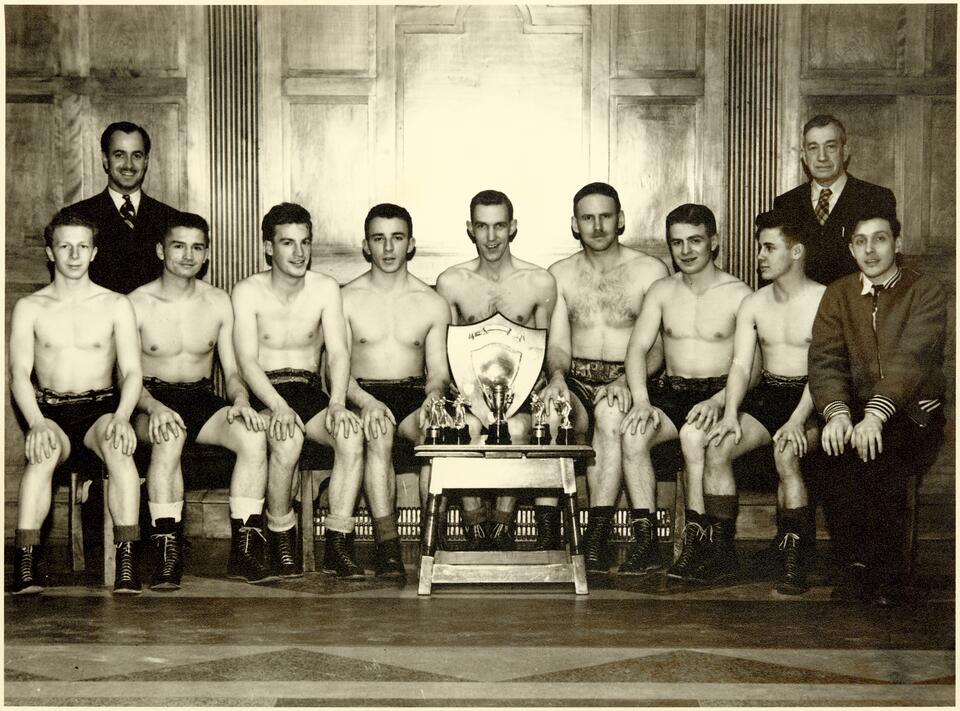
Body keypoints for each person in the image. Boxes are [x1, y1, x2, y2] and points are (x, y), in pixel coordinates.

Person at [129, 213, 274, 590]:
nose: (188, 255)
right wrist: (154, 407)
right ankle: (166, 550)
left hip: (199, 396)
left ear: (206, 254)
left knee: (253, 435)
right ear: (162, 250)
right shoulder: (136, 303)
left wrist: (241, 399)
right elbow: (124, 376)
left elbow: (232, 370)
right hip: (149, 399)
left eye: (197, 247)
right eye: (179, 246)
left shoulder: (217, 301)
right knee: (169, 435)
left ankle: (244, 549)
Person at [809, 209, 946, 607]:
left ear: (897, 244)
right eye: (861, 241)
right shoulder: (838, 293)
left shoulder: (925, 290)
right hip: (855, 410)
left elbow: (912, 359)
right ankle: (853, 565)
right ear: (851, 249)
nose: (871, 249)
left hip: (912, 411)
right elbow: (825, 360)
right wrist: (835, 413)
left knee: (882, 455)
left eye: (880, 239)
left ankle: (888, 570)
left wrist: (876, 415)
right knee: (829, 453)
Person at [9, 211, 144, 595]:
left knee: (120, 448)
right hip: (50, 411)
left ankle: (126, 561)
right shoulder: (30, 307)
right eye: (65, 246)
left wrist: (121, 416)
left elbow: (132, 372)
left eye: (82, 246)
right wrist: (35, 422)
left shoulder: (115, 304)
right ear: (51, 253)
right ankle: (25, 565)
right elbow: (19, 374)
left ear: (94, 252)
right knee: (42, 454)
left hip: (99, 411)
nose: (73, 254)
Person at [619, 204, 754, 580]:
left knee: (694, 437)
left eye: (695, 240)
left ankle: (695, 541)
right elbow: (636, 350)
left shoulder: (738, 293)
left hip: (718, 394)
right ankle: (645, 543)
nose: (686, 250)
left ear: (714, 241)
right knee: (632, 434)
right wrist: (642, 401)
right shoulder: (662, 291)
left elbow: (751, 367)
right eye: (677, 242)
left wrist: (719, 401)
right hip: (672, 391)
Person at [232, 202, 366, 578]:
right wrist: (276, 406)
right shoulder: (248, 291)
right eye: (287, 243)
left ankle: (338, 544)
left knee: (351, 435)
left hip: (308, 389)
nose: (299, 252)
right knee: (286, 439)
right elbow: (246, 361)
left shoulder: (325, 288)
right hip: (266, 390)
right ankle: (280, 538)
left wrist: (338, 403)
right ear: (268, 247)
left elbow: (339, 352)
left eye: (305, 242)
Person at [539, 182, 668, 564]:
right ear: (575, 224)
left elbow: (656, 348)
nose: (597, 226)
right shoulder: (559, 274)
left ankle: (596, 535)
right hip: (575, 376)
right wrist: (558, 379)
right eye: (587, 218)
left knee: (610, 415)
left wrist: (626, 381)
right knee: (548, 414)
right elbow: (559, 344)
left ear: (621, 219)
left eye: (605, 216)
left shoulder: (649, 270)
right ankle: (549, 535)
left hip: (629, 377)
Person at [703, 210, 826, 594]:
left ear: (796, 252)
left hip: (813, 396)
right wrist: (729, 413)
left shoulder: (825, 299)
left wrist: (798, 419)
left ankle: (794, 558)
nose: (760, 255)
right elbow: (741, 364)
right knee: (718, 447)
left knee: (786, 453)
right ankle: (722, 555)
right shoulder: (754, 303)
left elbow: (825, 370)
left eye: (769, 248)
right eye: (760, 247)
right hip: (770, 391)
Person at [435, 189, 557, 550]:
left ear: (513, 227)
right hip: (469, 395)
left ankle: (503, 524)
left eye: (499, 226)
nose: (491, 237)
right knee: (465, 428)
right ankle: (475, 526)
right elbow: (447, 352)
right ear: (470, 229)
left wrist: (552, 385)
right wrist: (465, 403)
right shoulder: (452, 282)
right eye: (483, 227)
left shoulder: (538, 282)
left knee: (518, 428)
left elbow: (546, 351)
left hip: (522, 395)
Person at [342, 203, 451, 578]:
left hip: (413, 393)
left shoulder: (432, 302)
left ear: (411, 244)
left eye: (397, 238)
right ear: (366, 245)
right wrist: (365, 401)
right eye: (379, 239)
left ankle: (430, 542)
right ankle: (387, 545)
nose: (388, 248)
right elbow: (333, 371)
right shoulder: (345, 298)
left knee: (434, 432)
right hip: (362, 392)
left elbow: (437, 372)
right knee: (378, 431)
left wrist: (435, 398)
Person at [774, 114, 896, 286]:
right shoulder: (786, 204)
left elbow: (885, 266)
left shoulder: (876, 198)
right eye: (813, 148)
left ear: (844, 152)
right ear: (803, 155)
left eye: (830, 147)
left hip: (857, 307)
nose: (822, 157)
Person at [64, 121, 180, 294]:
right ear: (105, 159)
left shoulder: (171, 219)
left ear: (146, 161)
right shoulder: (76, 216)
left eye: (137, 155)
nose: (129, 165)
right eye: (119, 155)